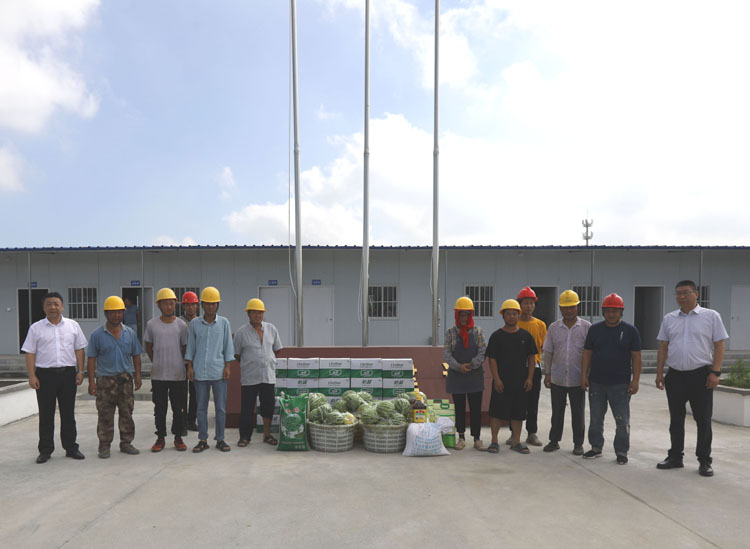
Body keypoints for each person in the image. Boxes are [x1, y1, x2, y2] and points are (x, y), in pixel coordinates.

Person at [655, 280, 728, 477]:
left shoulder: (711, 316)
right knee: (676, 419)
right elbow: (663, 346)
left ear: (696, 294)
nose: (681, 297)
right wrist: (660, 372)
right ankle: (675, 457)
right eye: (678, 293)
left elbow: (719, 345)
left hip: (701, 375)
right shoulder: (669, 319)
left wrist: (715, 372)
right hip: (675, 375)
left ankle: (704, 460)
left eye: (686, 292)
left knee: (703, 419)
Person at [22, 291, 88, 463]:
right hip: (45, 376)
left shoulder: (73, 326)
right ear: (44, 307)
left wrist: (80, 371)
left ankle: (71, 448)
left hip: (68, 374)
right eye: (49, 304)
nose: (53, 307)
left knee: (68, 413)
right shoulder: (36, 328)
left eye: (56, 304)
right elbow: (30, 353)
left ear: (62, 306)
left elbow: (79, 350)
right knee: (46, 414)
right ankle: (45, 450)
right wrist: (32, 375)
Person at [581, 293, 642, 464]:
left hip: (620, 384)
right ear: (603, 312)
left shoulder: (630, 331)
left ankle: (621, 451)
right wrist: (584, 375)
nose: (611, 314)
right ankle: (596, 447)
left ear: (621, 312)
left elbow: (636, 357)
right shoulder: (595, 330)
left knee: (622, 420)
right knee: (595, 418)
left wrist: (635, 380)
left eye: (615, 311)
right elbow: (587, 353)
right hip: (596, 382)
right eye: (608, 311)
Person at [87, 296, 143, 459]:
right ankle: (104, 446)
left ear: (123, 313)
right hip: (105, 380)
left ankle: (126, 443)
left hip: (125, 379)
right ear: (106, 313)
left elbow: (136, 355)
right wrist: (91, 382)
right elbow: (91, 359)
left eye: (119, 312)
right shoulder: (97, 335)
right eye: (112, 312)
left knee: (127, 413)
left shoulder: (129, 333)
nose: (116, 315)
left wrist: (138, 375)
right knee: (105, 414)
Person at [185, 286, 234, 453]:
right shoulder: (194, 324)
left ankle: (220, 439)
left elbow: (228, 347)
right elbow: (191, 347)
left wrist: (228, 367)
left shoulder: (224, 323)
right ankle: (202, 439)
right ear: (202, 305)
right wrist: (190, 367)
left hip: (219, 371)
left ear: (218, 305)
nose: (211, 306)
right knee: (201, 408)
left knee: (220, 408)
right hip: (200, 371)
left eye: (214, 303)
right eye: (207, 303)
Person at [541, 290, 591, 455]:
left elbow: (590, 354)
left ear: (578, 307)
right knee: (557, 412)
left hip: (578, 378)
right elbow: (548, 352)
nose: (568, 311)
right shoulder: (554, 328)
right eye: (565, 307)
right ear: (560, 308)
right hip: (558, 377)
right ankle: (554, 441)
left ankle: (578, 443)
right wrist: (547, 374)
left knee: (578, 413)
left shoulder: (586, 328)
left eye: (571, 307)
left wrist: (587, 375)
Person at [485, 299, 537, 455]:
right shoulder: (496, 336)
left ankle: (516, 442)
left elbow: (532, 358)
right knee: (496, 412)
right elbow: (492, 359)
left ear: (519, 315)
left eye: (515, 313)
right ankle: (494, 441)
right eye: (508, 314)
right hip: (501, 382)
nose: (512, 316)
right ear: (503, 315)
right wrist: (496, 379)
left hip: (520, 382)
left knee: (518, 413)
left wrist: (530, 378)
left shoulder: (526, 336)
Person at [233, 298, 283, 447]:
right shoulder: (241, 333)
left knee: (268, 407)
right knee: (247, 408)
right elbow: (237, 355)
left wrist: (266, 360)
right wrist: (252, 362)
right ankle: (245, 437)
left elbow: (277, 349)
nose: (257, 315)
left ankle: (267, 435)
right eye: (254, 312)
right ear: (248, 314)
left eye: (260, 312)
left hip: (267, 375)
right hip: (250, 376)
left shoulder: (271, 329)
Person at [144, 288, 188, 452]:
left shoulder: (181, 325)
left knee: (179, 408)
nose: (169, 307)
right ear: (159, 305)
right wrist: (157, 361)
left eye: (171, 303)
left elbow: (184, 348)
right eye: (165, 304)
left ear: (175, 304)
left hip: (178, 375)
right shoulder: (151, 324)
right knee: (160, 409)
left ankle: (178, 437)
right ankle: (160, 437)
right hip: (158, 375)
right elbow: (149, 346)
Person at [443, 296, 487, 451]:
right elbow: (447, 353)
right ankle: (461, 437)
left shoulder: (478, 332)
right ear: (457, 315)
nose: (463, 318)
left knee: (475, 409)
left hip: (474, 376)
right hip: (457, 376)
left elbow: (482, 351)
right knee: (459, 408)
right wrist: (458, 366)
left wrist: (472, 364)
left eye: (466, 315)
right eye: (461, 315)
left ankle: (477, 438)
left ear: (471, 315)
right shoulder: (450, 333)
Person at [509, 286, 547, 447]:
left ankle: (532, 433)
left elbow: (544, 347)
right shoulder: (513, 323)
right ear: (520, 305)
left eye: (531, 303)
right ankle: (513, 433)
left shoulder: (540, 325)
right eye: (525, 303)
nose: (529, 306)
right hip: (515, 369)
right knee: (515, 401)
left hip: (534, 368)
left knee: (532, 402)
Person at [180, 291, 200, 432]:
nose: (191, 307)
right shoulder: (178, 322)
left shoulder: (200, 322)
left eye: (193, 304)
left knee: (195, 394)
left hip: (196, 363)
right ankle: (181, 422)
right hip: (181, 363)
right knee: (181, 394)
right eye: (188, 305)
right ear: (183, 306)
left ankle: (191, 420)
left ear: (197, 306)